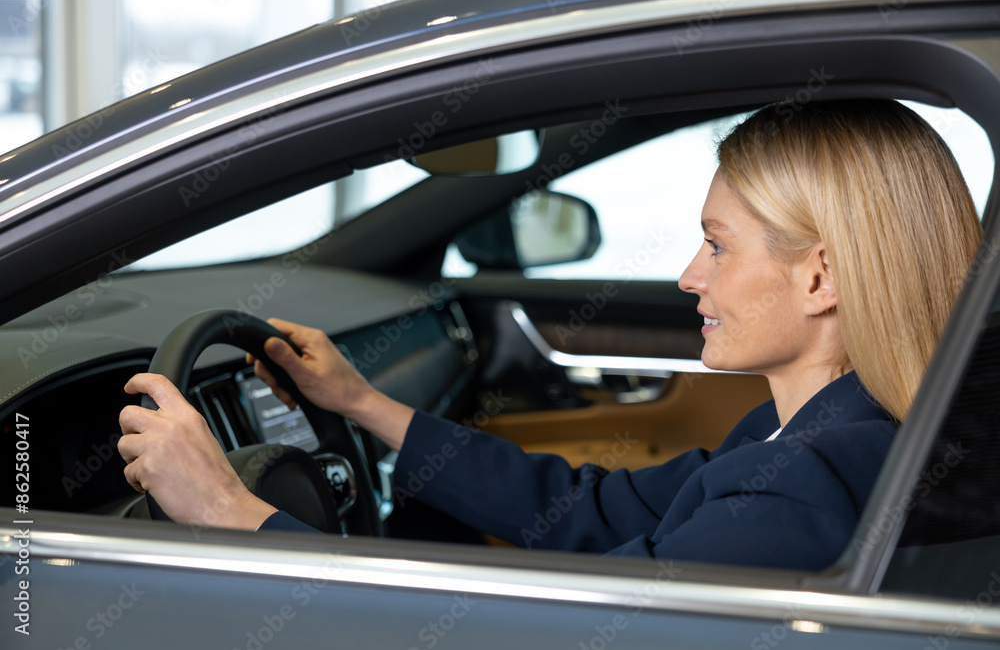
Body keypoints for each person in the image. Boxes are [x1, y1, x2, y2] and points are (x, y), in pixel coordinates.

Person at [118, 99, 982, 570]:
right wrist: (365, 404)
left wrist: (235, 513)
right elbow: (592, 513)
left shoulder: (798, 488)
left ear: (820, 276)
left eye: (717, 245)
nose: (690, 276)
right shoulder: (813, 430)